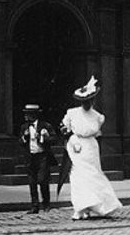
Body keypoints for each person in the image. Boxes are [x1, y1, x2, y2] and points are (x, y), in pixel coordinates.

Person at [61, 77, 122, 220]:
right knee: (77, 177)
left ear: (93, 101)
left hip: (90, 148)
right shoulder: (72, 113)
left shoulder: (98, 116)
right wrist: (69, 136)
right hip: (76, 146)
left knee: (93, 175)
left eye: (89, 101)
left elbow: (97, 132)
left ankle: (96, 206)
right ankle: (80, 208)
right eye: (84, 102)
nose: (86, 104)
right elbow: (64, 128)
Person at [19, 103, 57, 214]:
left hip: (42, 156)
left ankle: (46, 204)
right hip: (30, 157)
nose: (26, 116)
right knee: (32, 182)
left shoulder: (45, 126)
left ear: (34, 115)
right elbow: (20, 142)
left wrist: (42, 137)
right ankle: (34, 206)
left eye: (28, 114)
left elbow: (54, 139)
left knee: (42, 180)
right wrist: (25, 137)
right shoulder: (24, 127)